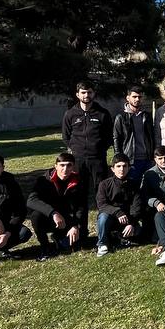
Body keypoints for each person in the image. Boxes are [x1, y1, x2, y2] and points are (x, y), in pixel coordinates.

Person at [61, 81, 112, 236]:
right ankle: (81, 232)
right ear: (78, 94)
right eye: (83, 92)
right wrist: (76, 150)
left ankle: (104, 231)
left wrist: (98, 149)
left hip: (98, 160)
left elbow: (108, 136)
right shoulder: (70, 114)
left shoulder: (103, 113)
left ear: (93, 93)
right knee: (79, 196)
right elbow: (66, 136)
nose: (86, 95)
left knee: (101, 195)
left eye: (89, 92)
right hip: (78, 161)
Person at [27, 151, 87, 258]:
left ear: (73, 167)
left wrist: (75, 225)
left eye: (69, 165)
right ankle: (45, 246)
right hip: (48, 217)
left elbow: (81, 206)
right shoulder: (44, 180)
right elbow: (31, 200)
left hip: (66, 218)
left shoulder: (78, 181)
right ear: (56, 166)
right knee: (36, 215)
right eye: (62, 165)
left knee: (78, 242)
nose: (65, 169)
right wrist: (53, 213)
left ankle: (59, 237)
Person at [95, 153, 144, 256]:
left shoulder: (134, 184)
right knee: (103, 217)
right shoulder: (104, 184)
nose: (122, 169)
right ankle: (102, 244)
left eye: (124, 166)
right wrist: (117, 212)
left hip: (127, 219)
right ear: (113, 169)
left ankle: (119, 237)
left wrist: (131, 223)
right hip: (110, 216)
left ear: (129, 168)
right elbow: (102, 204)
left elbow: (136, 206)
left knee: (139, 233)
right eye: (118, 166)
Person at [112, 85, 155, 180]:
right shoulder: (121, 117)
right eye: (134, 97)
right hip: (130, 159)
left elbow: (151, 136)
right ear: (128, 98)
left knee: (148, 185)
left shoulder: (147, 116)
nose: (137, 99)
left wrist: (153, 156)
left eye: (139, 97)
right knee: (132, 185)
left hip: (147, 159)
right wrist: (119, 158)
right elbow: (116, 138)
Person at [140, 145, 165, 238]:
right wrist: (156, 203)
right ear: (155, 159)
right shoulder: (149, 174)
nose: (163, 161)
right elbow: (144, 194)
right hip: (157, 206)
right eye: (160, 158)